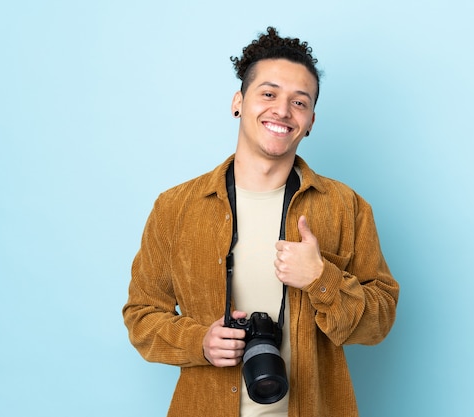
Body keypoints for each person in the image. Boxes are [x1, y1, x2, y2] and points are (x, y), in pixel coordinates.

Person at [123, 26, 399, 417]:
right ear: (238, 101)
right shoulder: (175, 208)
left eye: (299, 102)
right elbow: (140, 315)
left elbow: (380, 320)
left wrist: (322, 279)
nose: (283, 111)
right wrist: (199, 341)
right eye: (268, 94)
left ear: (312, 121)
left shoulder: (346, 207)